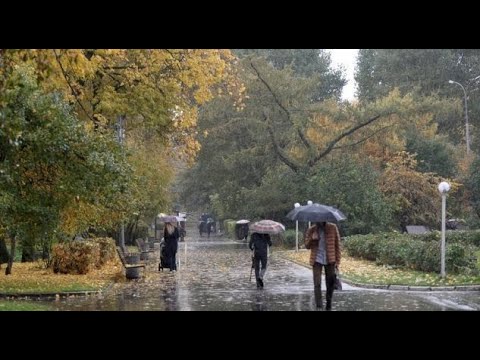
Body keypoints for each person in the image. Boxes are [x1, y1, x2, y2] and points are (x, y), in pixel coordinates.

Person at [304, 221, 341, 310]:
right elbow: (307, 246)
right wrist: (312, 238)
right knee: (317, 283)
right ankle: (319, 306)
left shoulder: (333, 227)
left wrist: (337, 261)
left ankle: (329, 303)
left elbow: (337, 245)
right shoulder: (312, 229)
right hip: (317, 259)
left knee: (330, 283)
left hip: (330, 259)